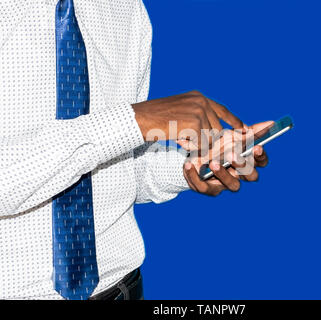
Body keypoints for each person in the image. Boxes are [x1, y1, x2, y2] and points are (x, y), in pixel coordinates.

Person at [0, 0, 270, 300]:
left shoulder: (126, 8)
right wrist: (135, 120)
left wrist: (193, 166)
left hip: (124, 290)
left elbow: (121, 166)